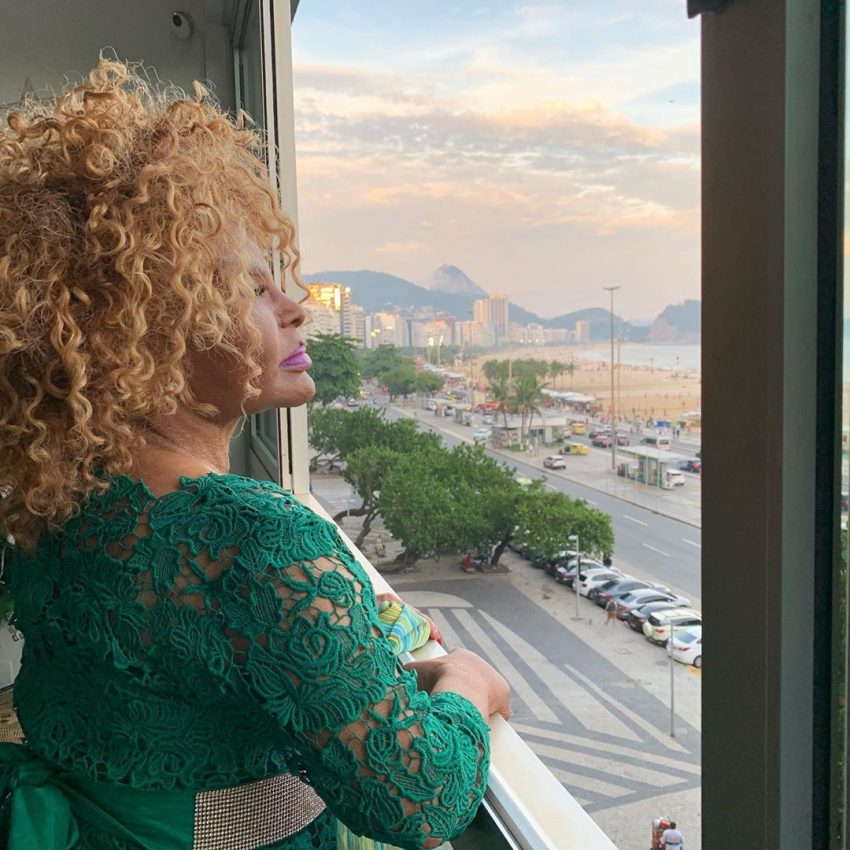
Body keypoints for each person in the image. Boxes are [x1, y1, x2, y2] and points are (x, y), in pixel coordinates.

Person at [0, 60, 510, 850]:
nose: (296, 308)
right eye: (252, 290)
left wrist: (359, 674)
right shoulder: (254, 535)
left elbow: (186, 698)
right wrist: (470, 681)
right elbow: (418, 798)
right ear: (144, 336)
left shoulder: (63, 502)